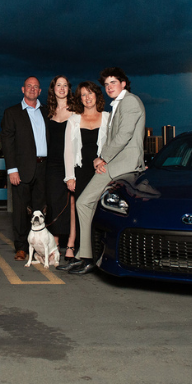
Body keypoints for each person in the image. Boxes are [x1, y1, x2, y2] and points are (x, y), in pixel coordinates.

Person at [70, 67, 147, 274]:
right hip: (115, 163)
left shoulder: (130, 101)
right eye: (106, 84)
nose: (109, 87)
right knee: (90, 204)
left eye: (113, 82)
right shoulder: (117, 105)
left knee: (83, 202)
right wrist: (103, 159)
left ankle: (87, 257)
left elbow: (124, 136)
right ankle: (84, 255)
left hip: (122, 165)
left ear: (123, 83)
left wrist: (103, 158)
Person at [0, 75, 49, 262]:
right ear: (23, 89)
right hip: (21, 169)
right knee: (20, 210)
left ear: (40, 91)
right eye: (29, 86)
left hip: (44, 168)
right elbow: (7, 142)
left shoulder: (47, 112)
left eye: (36, 86)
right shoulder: (12, 113)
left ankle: (39, 247)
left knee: (40, 210)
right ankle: (21, 248)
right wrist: (12, 169)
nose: (32, 89)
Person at [61, 80, 109, 266]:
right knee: (83, 213)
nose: (87, 97)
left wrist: (105, 161)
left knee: (100, 213)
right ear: (79, 99)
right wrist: (70, 177)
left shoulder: (108, 118)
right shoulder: (74, 120)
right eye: (83, 95)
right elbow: (68, 151)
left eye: (90, 93)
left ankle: (100, 256)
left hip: (102, 171)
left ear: (96, 95)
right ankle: (84, 256)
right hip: (81, 172)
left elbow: (114, 145)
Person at [43, 76, 78, 247]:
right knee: (54, 202)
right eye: (59, 85)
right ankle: (55, 242)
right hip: (53, 163)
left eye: (65, 85)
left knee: (71, 203)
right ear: (53, 88)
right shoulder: (48, 111)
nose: (62, 88)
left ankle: (71, 242)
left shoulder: (76, 110)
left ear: (69, 89)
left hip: (71, 161)